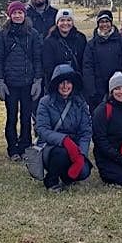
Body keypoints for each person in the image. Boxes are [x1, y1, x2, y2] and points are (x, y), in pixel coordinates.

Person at [0, 1, 42, 162]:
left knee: (26, 117)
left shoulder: (33, 34)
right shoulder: (3, 34)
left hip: (28, 82)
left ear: (24, 14)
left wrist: (38, 80)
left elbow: (37, 58)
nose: (17, 15)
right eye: (14, 13)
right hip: (10, 83)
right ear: (10, 15)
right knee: (11, 116)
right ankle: (12, 148)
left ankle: (25, 146)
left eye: (20, 13)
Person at [35, 64, 93, 192]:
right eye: (61, 83)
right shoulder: (45, 102)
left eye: (68, 82)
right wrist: (64, 140)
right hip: (52, 147)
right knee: (61, 154)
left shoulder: (80, 103)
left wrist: (81, 155)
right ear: (56, 84)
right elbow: (42, 130)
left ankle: (66, 176)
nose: (65, 86)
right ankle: (51, 180)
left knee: (84, 172)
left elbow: (86, 132)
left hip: (75, 147)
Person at [82, 9, 122, 112]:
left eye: (107, 21)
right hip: (98, 89)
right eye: (101, 22)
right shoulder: (91, 44)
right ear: (98, 24)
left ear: (111, 23)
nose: (104, 24)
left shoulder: (121, 41)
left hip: (118, 87)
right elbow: (87, 68)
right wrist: (91, 90)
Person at [41, 8, 87, 84]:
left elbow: (84, 61)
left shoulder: (81, 38)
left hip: (77, 81)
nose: (65, 23)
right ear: (57, 22)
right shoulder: (49, 41)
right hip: (57, 82)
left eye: (69, 20)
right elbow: (48, 67)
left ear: (72, 22)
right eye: (62, 20)